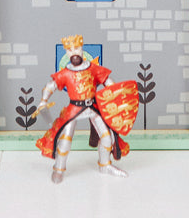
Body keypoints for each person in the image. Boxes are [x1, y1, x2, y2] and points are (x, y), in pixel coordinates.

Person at [33, 35, 138, 183]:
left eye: (76, 48)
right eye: (70, 50)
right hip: (74, 109)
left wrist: (117, 93)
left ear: (82, 48)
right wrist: (44, 100)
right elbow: (51, 86)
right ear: (66, 52)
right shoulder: (65, 73)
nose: (73, 52)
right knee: (65, 140)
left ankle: (105, 165)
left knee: (107, 137)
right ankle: (58, 169)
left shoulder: (93, 68)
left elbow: (108, 82)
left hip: (93, 107)